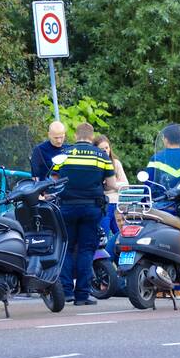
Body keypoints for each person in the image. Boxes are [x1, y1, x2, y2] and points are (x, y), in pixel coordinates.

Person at [52, 122, 118, 306]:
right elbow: (112, 184)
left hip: (67, 207)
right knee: (86, 250)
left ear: (75, 136)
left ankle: (66, 292)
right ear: (91, 137)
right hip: (92, 208)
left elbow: (53, 180)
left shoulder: (64, 154)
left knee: (66, 248)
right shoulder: (102, 156)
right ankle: (82, 295)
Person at [145, 124, 180, 298]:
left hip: (163, 208)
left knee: (160, 245)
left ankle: (162, 287)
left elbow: (148, 184)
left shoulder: (157, 158)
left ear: (165, 139)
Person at [94, 135, 128, 247]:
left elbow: (125, 184)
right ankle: (105, 262)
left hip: (117, 205)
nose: (105, 151)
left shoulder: (115, 163)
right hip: (104, 204)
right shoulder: (95, 164)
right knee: (104, 235)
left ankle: (120, 262)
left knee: (121, 235)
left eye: (107, 148)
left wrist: (112, 185)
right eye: (101, 149)